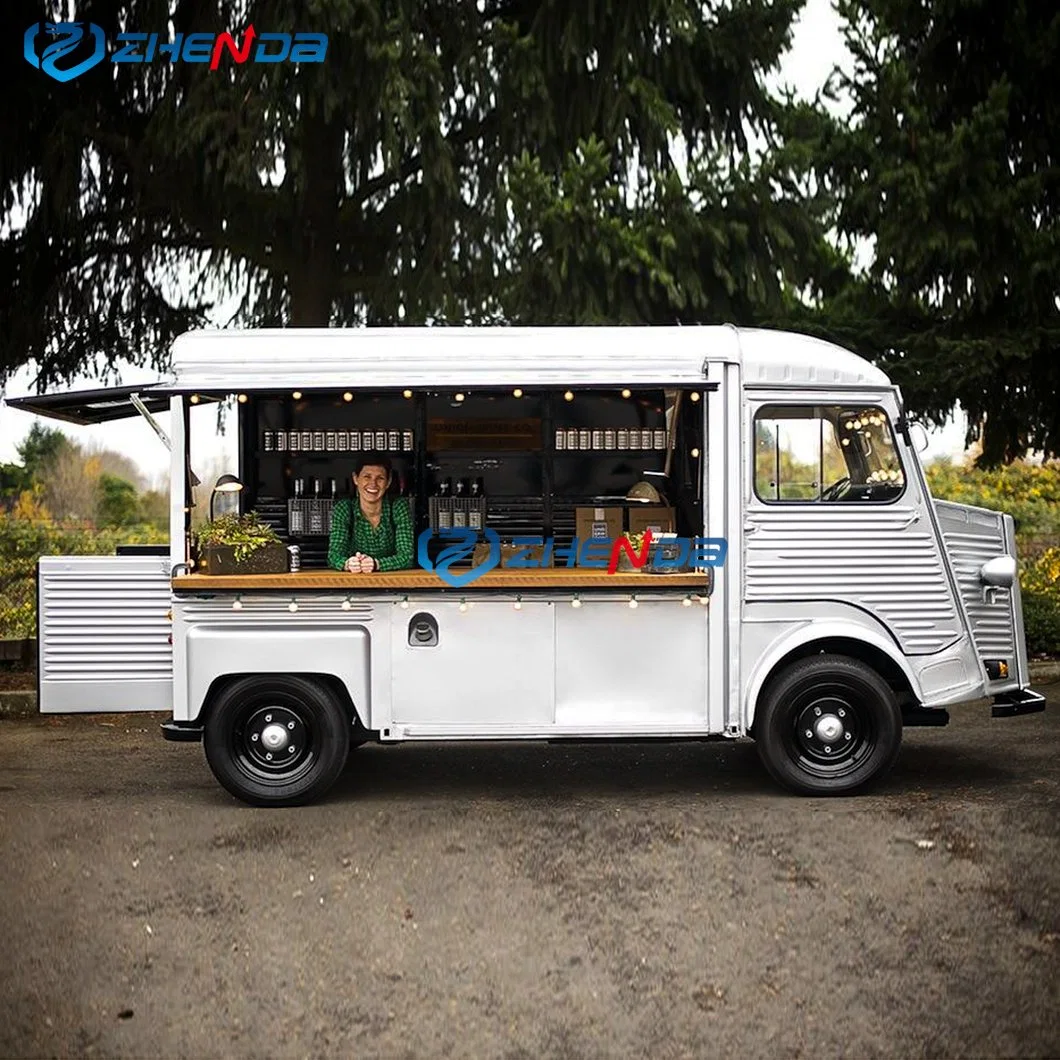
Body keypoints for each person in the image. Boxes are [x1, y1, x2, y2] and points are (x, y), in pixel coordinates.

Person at [327, 454, 414, 572]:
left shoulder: (398, 507)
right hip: (354, 582)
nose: (373, 484)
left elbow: (407, 557)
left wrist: (376, 564)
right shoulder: (344, 509)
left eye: (380, 478)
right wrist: (348, 564)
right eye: (367, 477)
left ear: (388, 482)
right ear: (355, 479)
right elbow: (333, 556)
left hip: (393, 582)